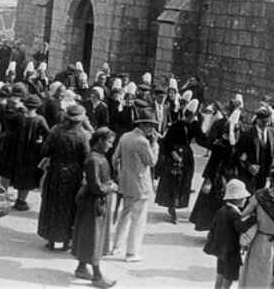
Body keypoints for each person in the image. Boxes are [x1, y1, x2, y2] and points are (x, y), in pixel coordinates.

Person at [38, 104, 90, 251]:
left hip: (56, 171)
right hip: (74, 174)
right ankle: (67, 240)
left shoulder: (56, 131)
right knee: (70, 206)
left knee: (53, 204)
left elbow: (45, 150)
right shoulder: (83, 136)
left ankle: (51, 239)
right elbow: (86, 157)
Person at [72, 127, 118, 288]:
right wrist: (110, 187)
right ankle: (97, 276)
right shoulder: (94, 160)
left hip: (94, 202)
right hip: (93, 203)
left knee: (89, 235)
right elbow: (95, 187)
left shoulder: (98, 157)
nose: (111, 145)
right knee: (94, 238)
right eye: (109, 142)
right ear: (100, 140)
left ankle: (81, 268)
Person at [111, 108, 159, 262]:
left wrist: (121, 173)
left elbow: (114, 158)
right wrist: (155, 145)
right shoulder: (143, 141)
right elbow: (151, 162)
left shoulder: (125, 136)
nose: (153, 129)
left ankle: (116, 247)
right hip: (140, 186)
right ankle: (132, 252)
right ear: (146, 125)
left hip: (125, 183)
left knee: (124, 216)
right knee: (138, 220)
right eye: (151, 125)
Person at [155, 99, 209, 224]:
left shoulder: (194, 125)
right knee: (174, 181)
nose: (192, 118)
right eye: (191, 116)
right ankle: (172, 206)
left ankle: (177, 204)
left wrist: (213, 145)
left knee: (184, 181)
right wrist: (173, 153)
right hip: (175, 154)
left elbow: (201, 139)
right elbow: (167, 141)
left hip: (187, 156)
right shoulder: (177, 125)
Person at [203, 179, 253, 289]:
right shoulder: (234, 214)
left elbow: (213, 227)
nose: (245, 199)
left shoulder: (222, 210)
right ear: (237, 198)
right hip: (231, 252)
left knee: (220, 274)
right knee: (229, 277)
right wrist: (253, 219)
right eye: (244, 197)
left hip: (221, 250)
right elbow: (240, 228)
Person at [190, 119, 238, 231]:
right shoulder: (220, 145)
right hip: (217, 179)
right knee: (213, 205)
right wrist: (208, 181)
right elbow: (213, 164)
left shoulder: (231, 144)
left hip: (226, 177)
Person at [10, 96, 50, 210]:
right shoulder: (40, 119)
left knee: (19, 173)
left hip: (18, 151)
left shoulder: (18, 117)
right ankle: (21, 200)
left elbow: (10, 128)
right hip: (32, 152)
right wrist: (41, 140)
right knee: (28, 176)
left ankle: (19, 198)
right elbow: (48, 134)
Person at [236, 104, 274, 193]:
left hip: (268, 175)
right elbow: (238, 155)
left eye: (268, 122)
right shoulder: (247, 134)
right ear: (257, 120)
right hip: (251, 176)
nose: (265, 125)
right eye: (263, 122)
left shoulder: (273, 133)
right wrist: (249, 166)